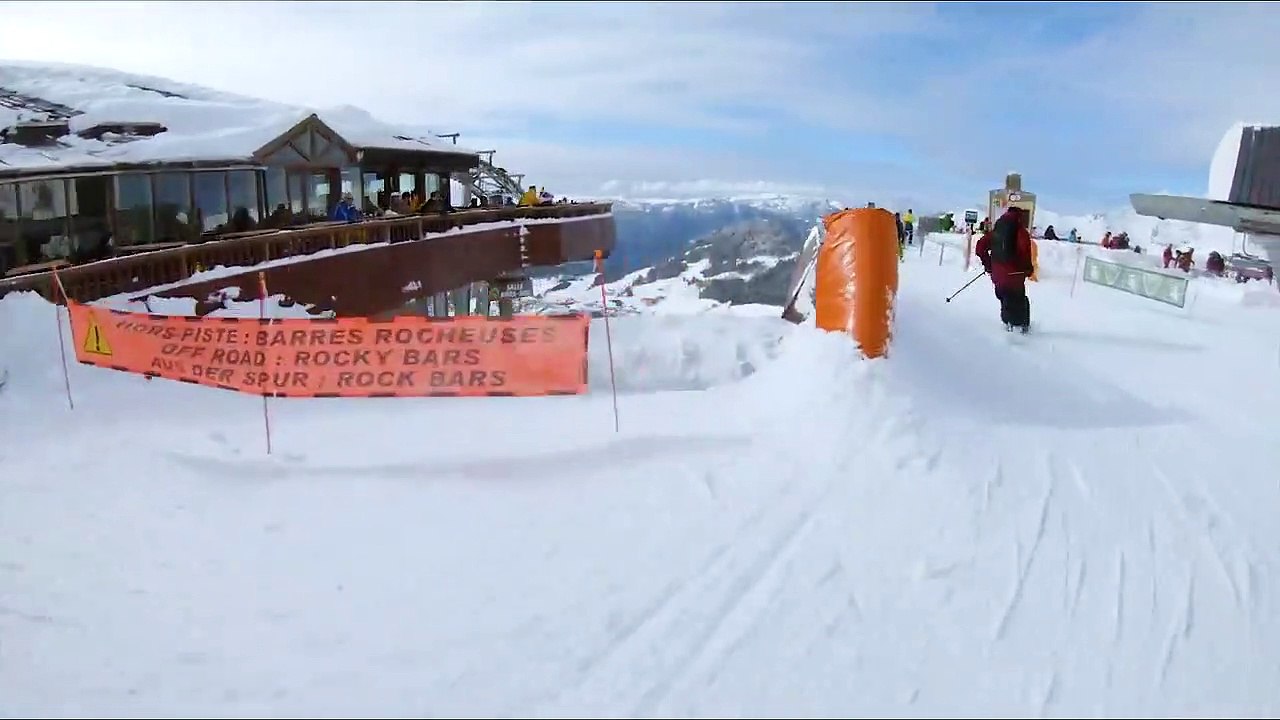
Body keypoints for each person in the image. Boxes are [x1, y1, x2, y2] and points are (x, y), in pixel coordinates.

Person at [974, 206, 1035, 333]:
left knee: (1005, 299)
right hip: (1015, 276)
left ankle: (1007, 326)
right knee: (1019, 302)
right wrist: (1028, 269)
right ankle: (1021, 331)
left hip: (998, 276)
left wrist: (988, 264)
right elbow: (1025, 253)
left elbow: (980, 247)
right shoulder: (1021, 232)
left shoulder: (996, 231)